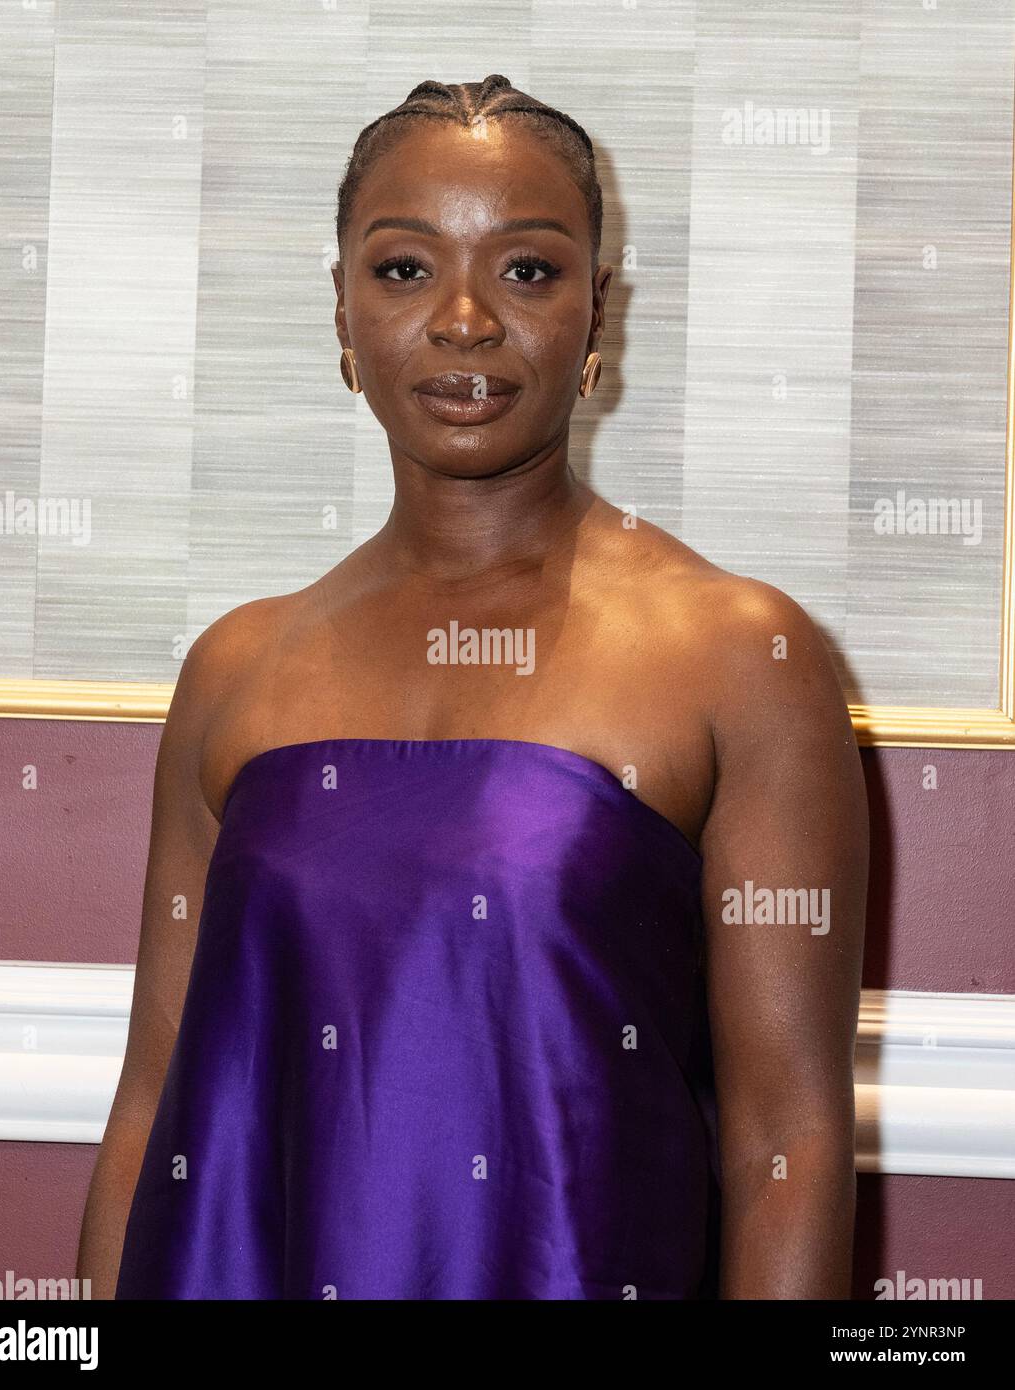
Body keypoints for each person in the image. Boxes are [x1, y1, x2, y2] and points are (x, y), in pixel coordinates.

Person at [77, 74, 869, 1300]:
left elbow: (788, 1142)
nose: (462, 320)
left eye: (528, 270)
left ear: (599, 314)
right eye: (403, 270)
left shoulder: (738, 655)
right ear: (339, 311)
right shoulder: (237, 669)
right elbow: (153, 1102)